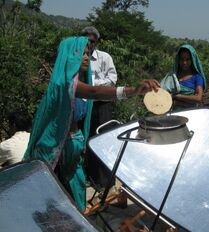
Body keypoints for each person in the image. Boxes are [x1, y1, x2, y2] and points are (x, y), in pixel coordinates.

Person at [23, 36, 160, 212]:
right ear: (71, 56)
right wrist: (132, 90)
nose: (87, 57)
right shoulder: (64, 84)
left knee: (71, 191)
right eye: (82, 54)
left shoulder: (78, 83)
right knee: (53, 197)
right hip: (56, 149)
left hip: (73, 146)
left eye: (88, 53)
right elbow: (95, 91)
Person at [80, 26, 118, 188]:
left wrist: (93, 86)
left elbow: (112, 79)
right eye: (87, 41)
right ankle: (91, 177)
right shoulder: (78, 58)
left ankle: (105, 180)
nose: (90, 44)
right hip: (85, 105)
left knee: (103, 139)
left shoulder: (104, 57)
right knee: (87, 139)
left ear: (97, 42)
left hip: (102, 105)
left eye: (93, 41)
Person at [160, 44, 207, 109]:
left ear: (192, 60)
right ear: (178, 60)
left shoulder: (197, 77)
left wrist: (178, 96)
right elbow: (162, 90)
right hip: (174, 115)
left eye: (187, 59)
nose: (184, 62)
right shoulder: (173, 76)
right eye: (182, 59)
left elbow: (198, 98)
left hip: (190, 114)